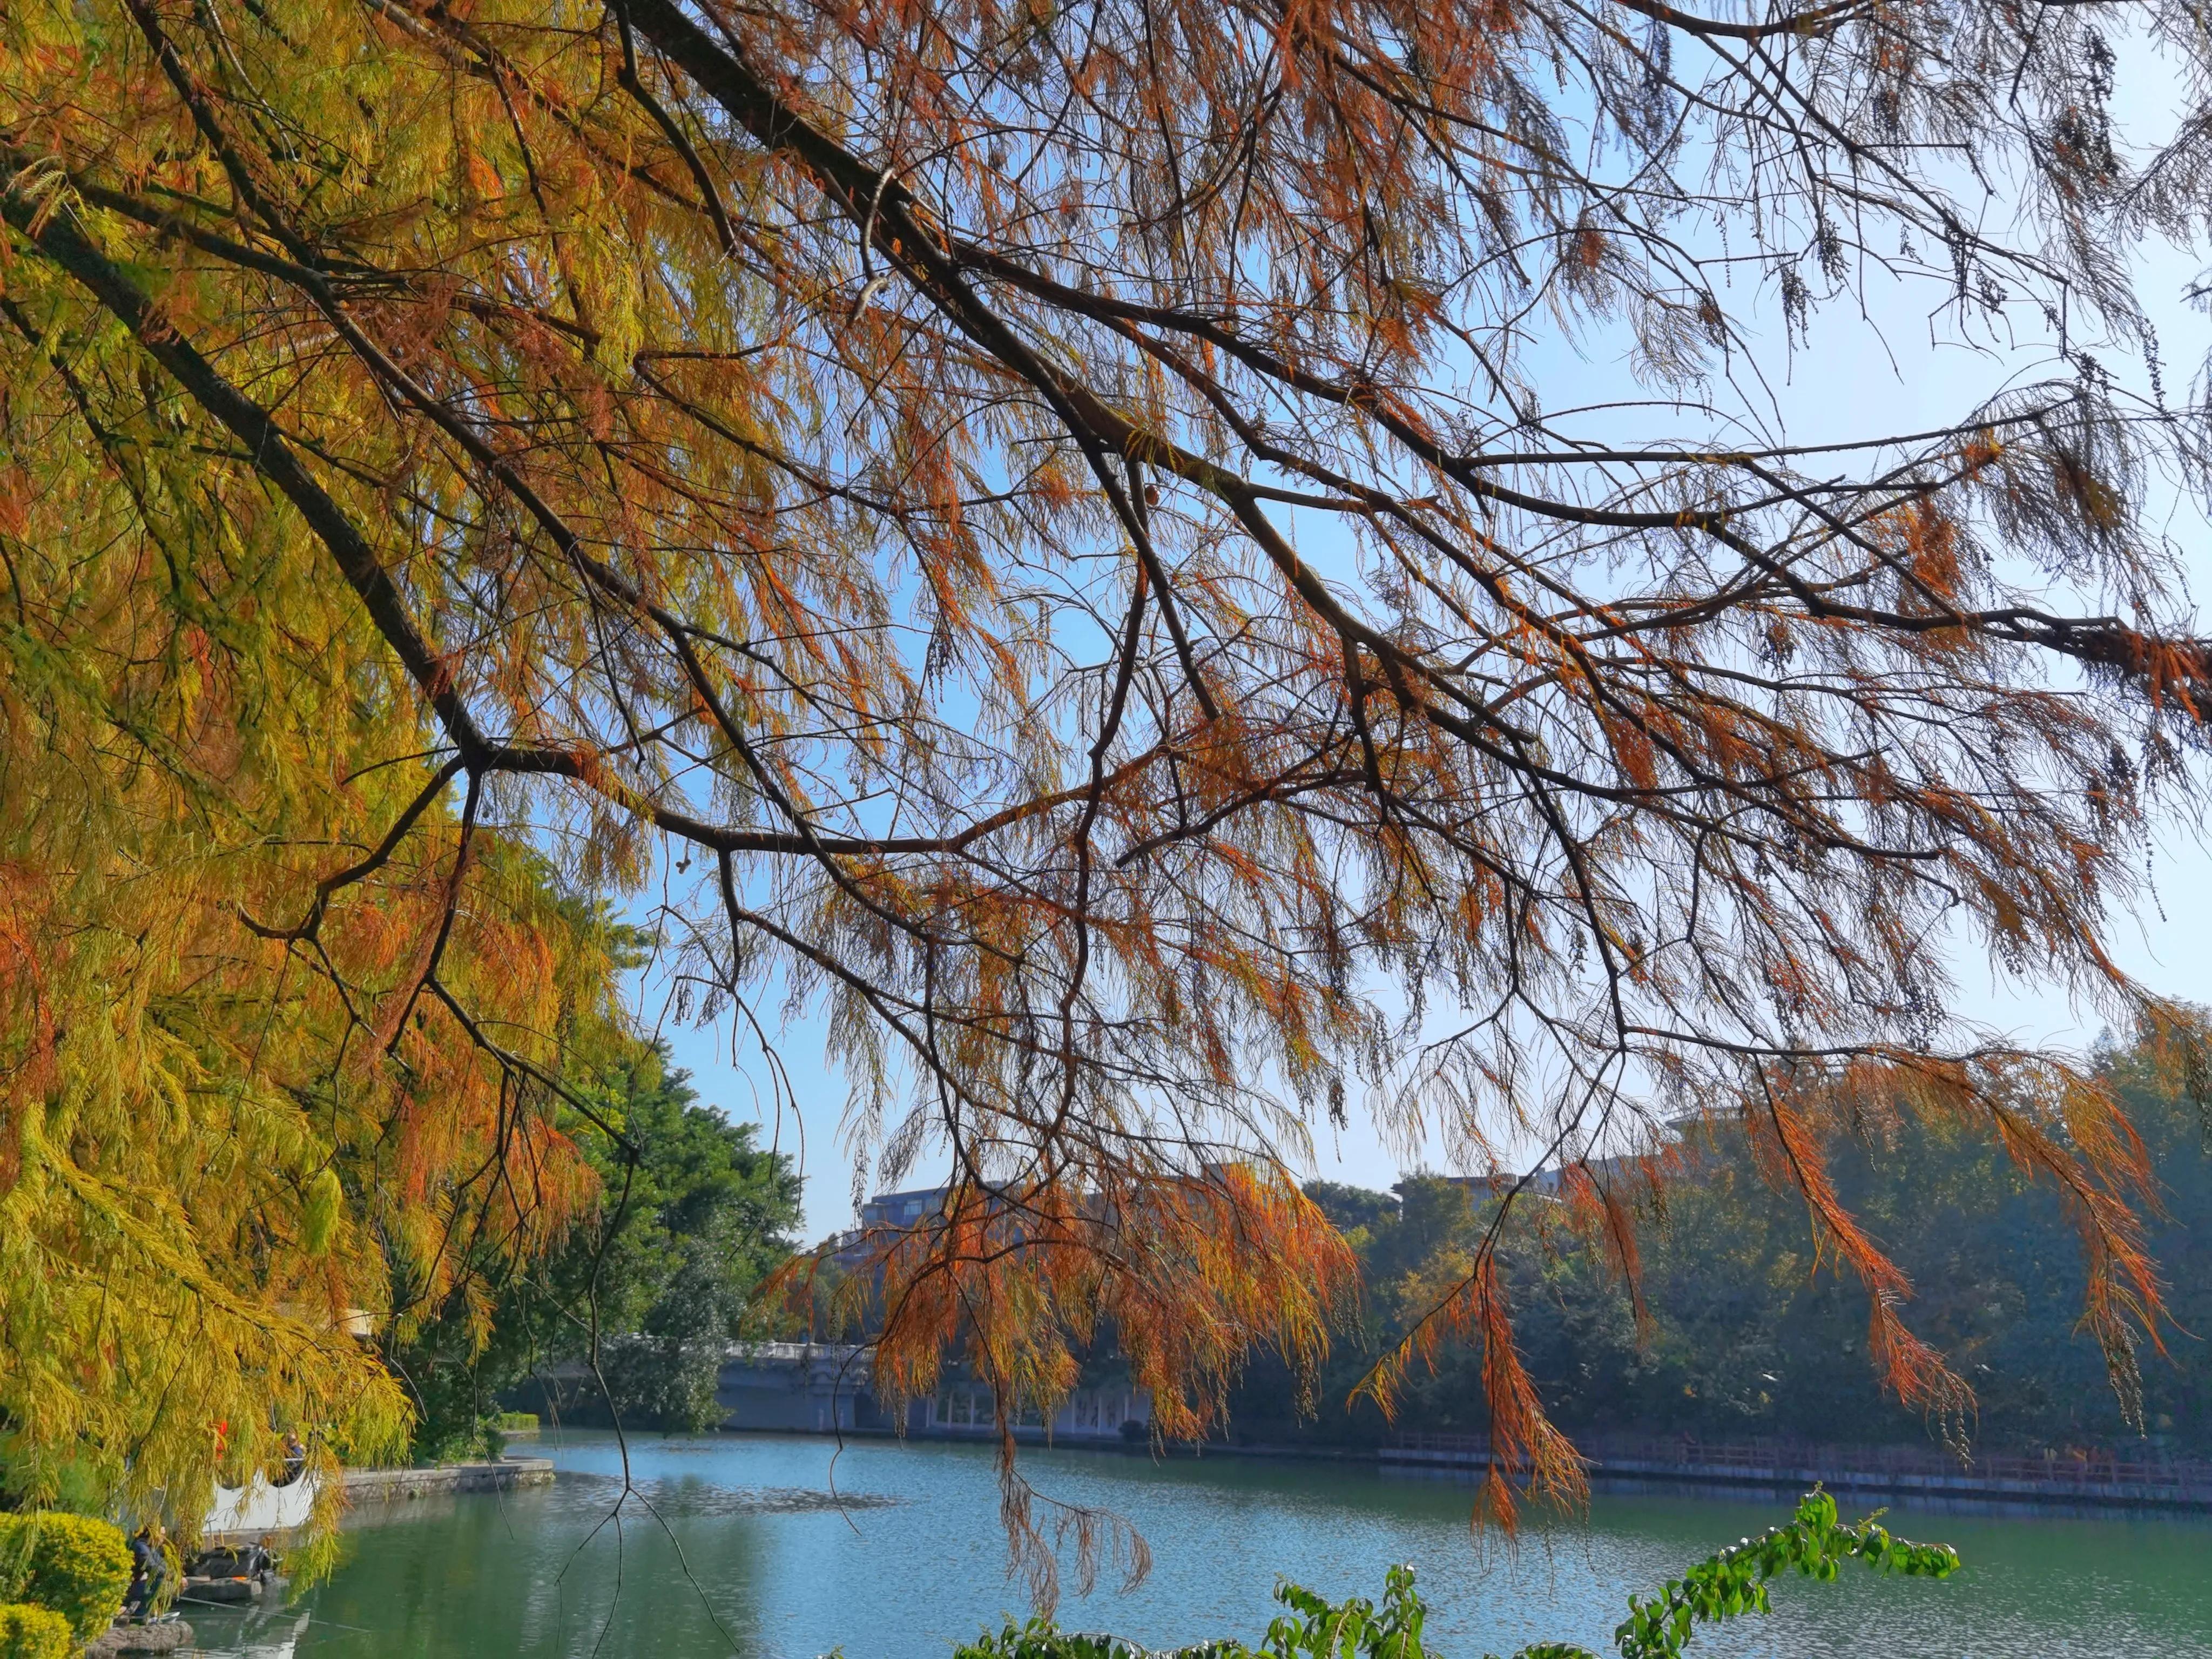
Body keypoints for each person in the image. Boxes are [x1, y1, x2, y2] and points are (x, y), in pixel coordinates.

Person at [124, 1525, 166, 1621]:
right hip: (131, 1586)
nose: (164, 1538)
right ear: (153, 1534)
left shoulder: (151, 1548)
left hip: (138, 1584)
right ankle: (141, 1613)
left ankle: (150, 1611)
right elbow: (151, 1567)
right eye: (162, 1535)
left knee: (162, 1578)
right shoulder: (141, 1547)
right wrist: (168, 1574)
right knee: (159, 1579)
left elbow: (163, 1565)